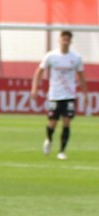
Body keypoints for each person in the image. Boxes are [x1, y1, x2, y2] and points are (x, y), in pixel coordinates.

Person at [30, 31, 88, 161]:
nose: (65, 42)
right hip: (54, 95)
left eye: (67, 40)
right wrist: (34, 88)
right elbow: (39, 71)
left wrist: (85, 95)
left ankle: (62, 151)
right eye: (63, 39)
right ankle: (49, 139)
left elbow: (82, 77)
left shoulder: (76, 58)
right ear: (59, 40)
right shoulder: (51, 56)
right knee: (52, 123)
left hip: (69, 95)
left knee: (67, 122)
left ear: (70, 41)